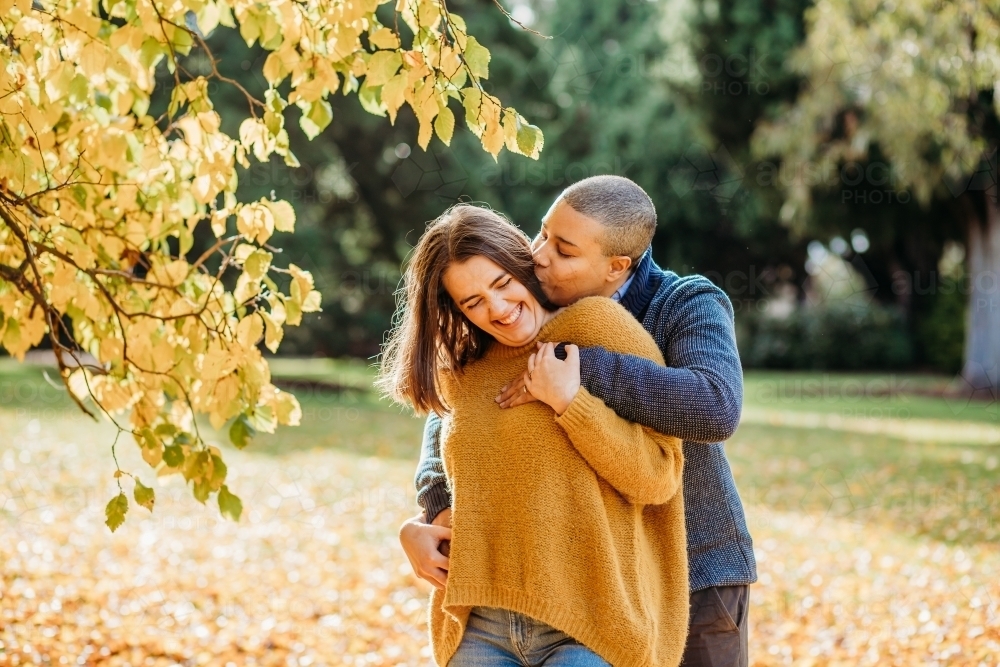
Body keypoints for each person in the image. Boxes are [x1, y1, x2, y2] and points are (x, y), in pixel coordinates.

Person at [400, 176, 756, 667]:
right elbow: (456, 415)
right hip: (582, 576)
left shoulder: (680, 304)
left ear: (615, 267)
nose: (541, 255)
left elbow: (714, 406)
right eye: (542, 233)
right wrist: (434, 507)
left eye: (563, 248)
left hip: (698, 563)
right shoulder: (538, 294)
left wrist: (576, 365)